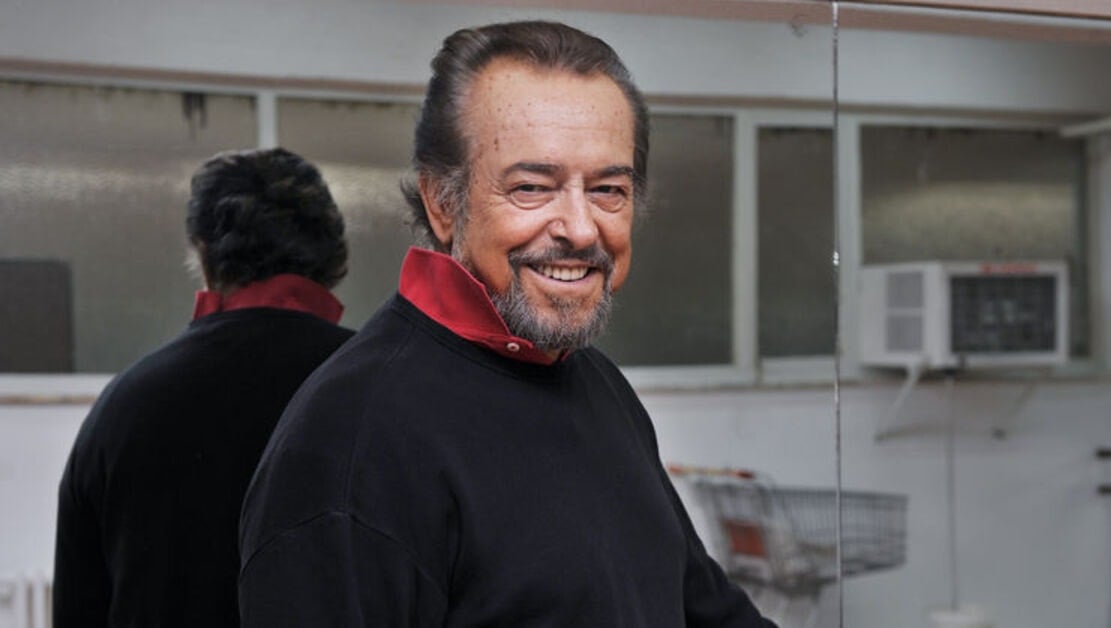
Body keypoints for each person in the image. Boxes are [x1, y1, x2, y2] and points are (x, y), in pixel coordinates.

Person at [238, 21, 775, 627]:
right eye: (532, 187)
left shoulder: (597, 384)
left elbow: (705, 610)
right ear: (443, 203)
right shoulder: (352, 443)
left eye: (608, 189)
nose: (581, 228)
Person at [53, 148, 354, 627]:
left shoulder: (123, 408)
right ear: (332, 255)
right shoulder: (380, 388)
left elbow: (78, 610)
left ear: (203, 251)